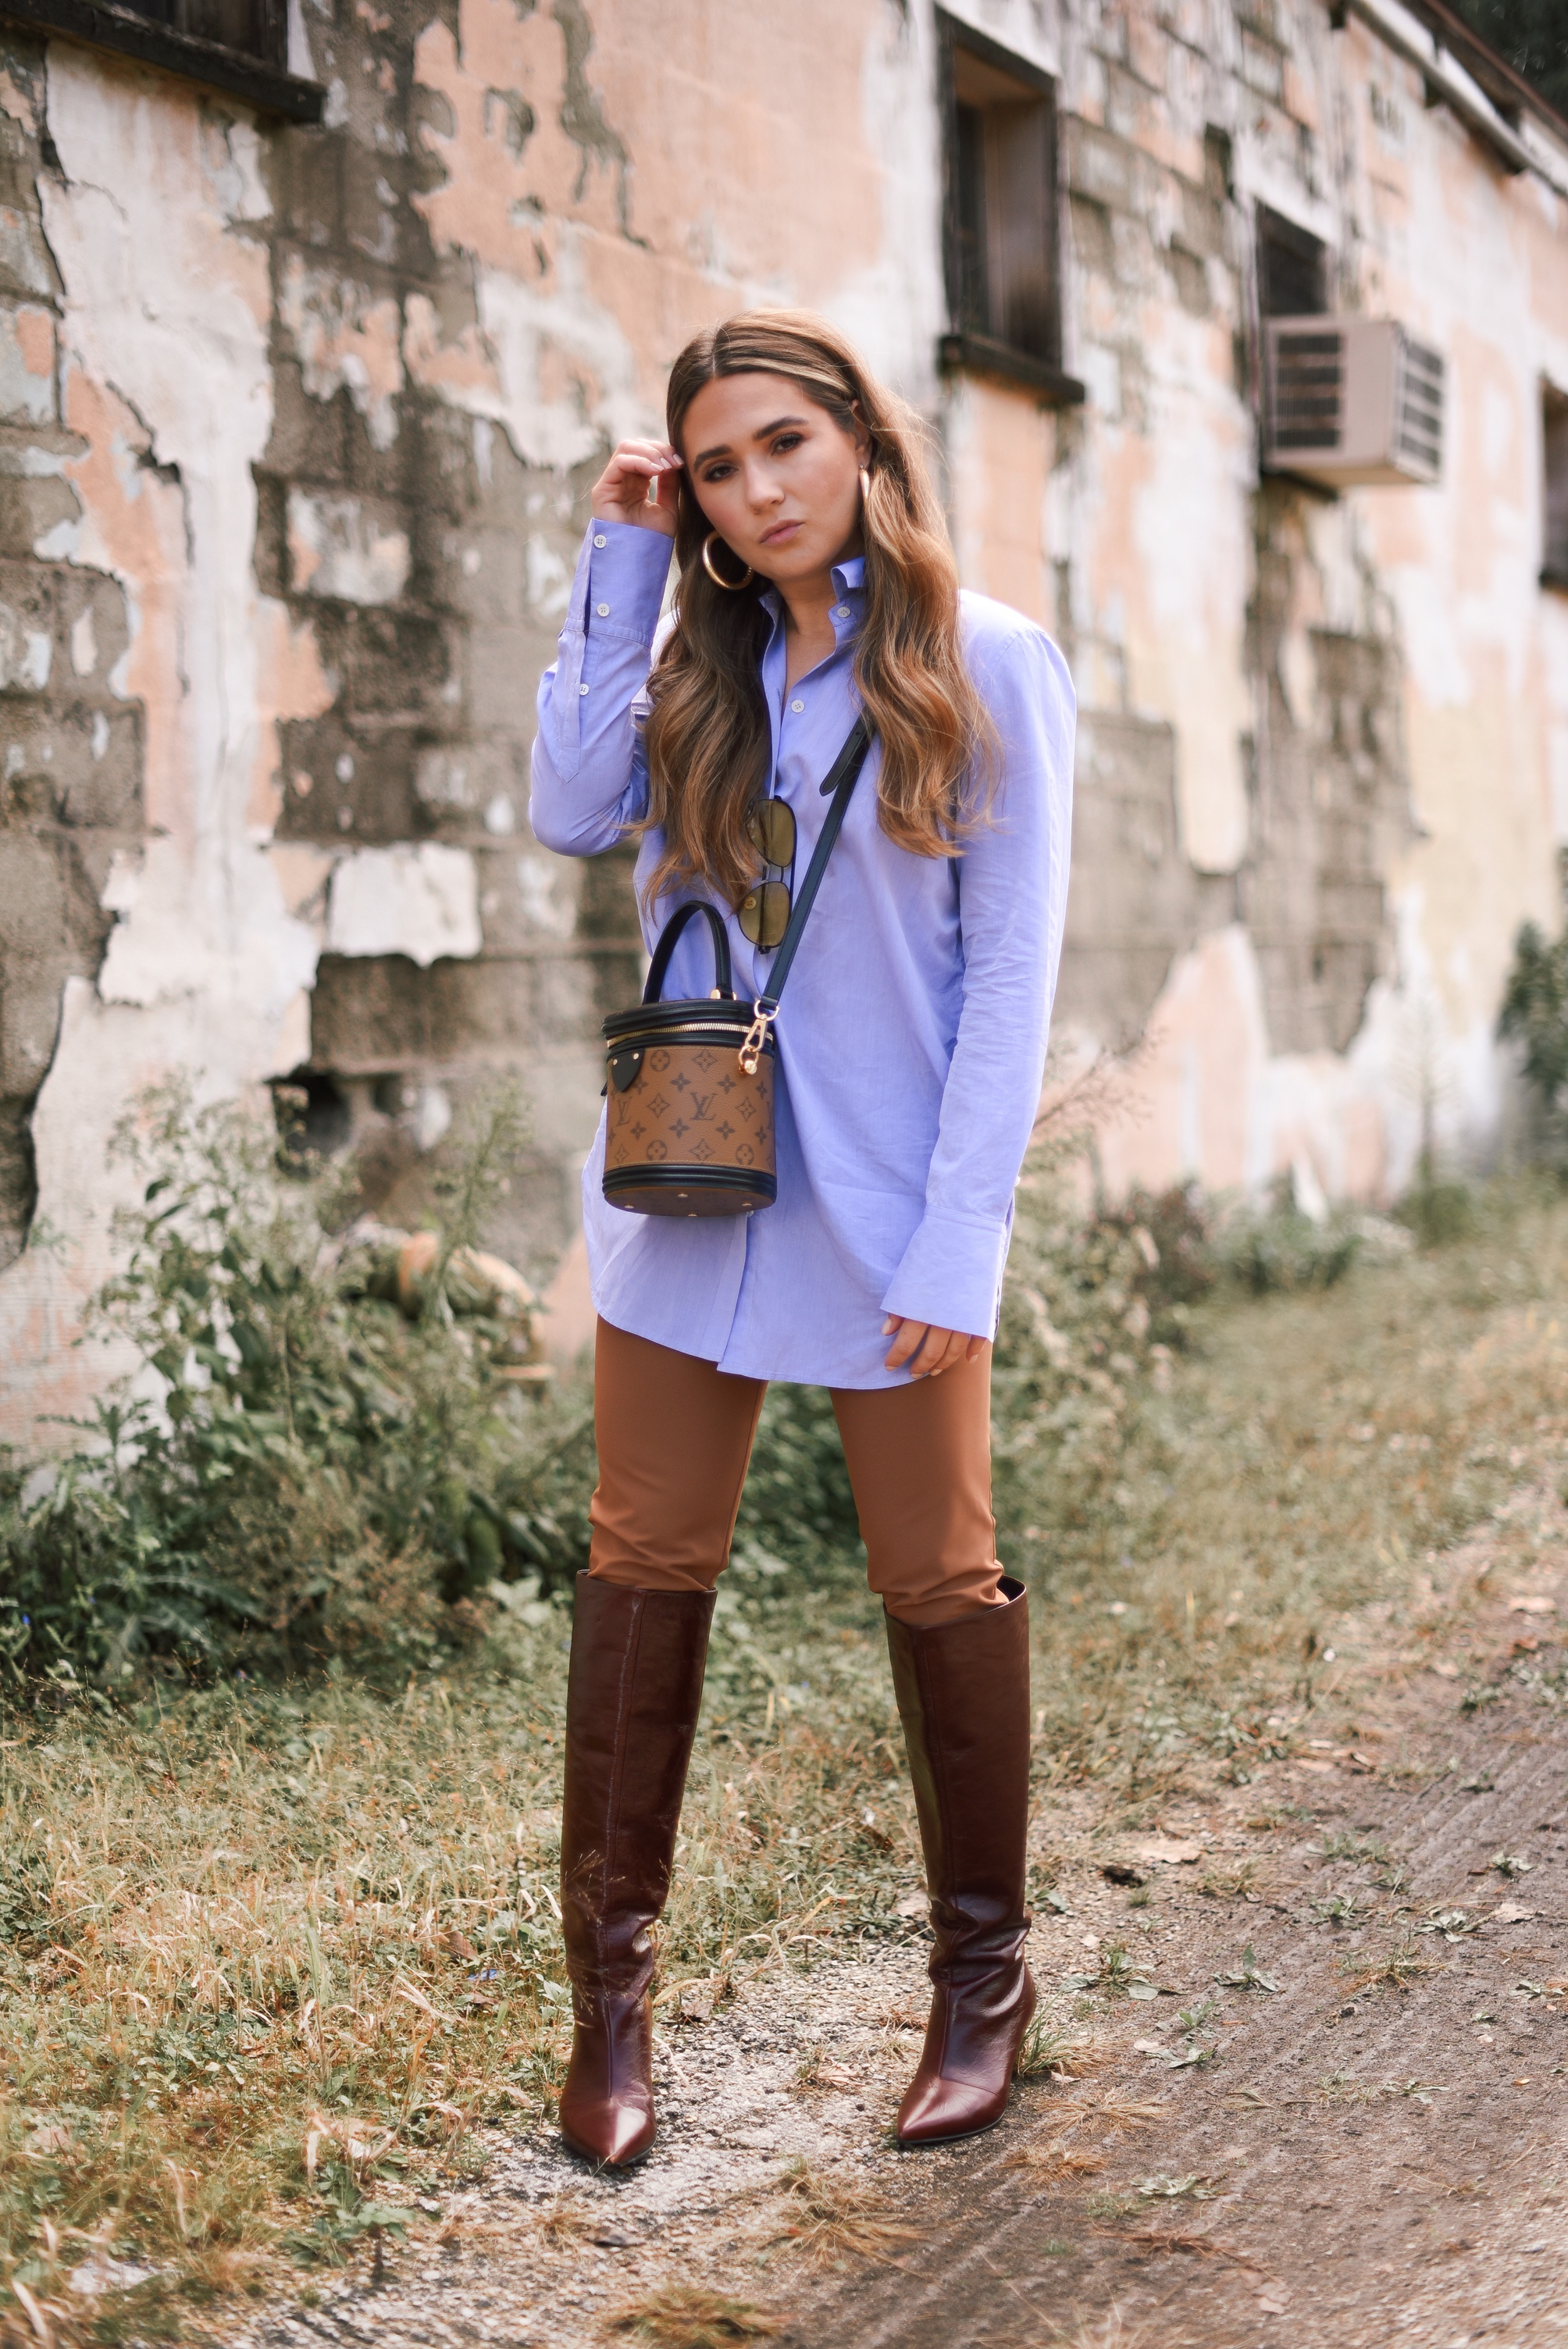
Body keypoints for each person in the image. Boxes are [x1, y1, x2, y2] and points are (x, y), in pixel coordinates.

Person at [529, 308, 1074, 2167]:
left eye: (781, 444)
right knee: (639, 1560)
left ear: (855, 438)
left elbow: (1006, 973)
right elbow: (563, 805)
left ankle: (982, 1987)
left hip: (891, 1204)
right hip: (689, 1184)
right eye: (711, 468)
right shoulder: (701, 655)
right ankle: (610, 2018)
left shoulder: (987, 660)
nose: (752, 490)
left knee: (937, 1575)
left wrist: (961, 1240)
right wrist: (617, 562)